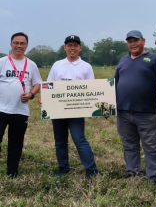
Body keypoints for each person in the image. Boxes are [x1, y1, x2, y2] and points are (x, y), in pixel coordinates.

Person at [115, 30, 156, 184]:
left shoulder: (154, 58)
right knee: (129, 145)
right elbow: (114, 84)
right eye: (130, 41)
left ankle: (153, 177)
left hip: (146, 112)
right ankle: (133, 173)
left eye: (136, 40)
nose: (133, 44)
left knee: (152, 146)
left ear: (143, 41)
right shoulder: (123, 61)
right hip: (123, 112)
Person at [47, 35, 98, 178]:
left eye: (75, 45)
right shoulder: (57, 65)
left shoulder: (86, 67)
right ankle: (63, 168)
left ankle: (91, 170)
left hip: (76, 111)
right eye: (69, 45)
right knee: (60, 141)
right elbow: (49, 85)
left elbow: (92, 89)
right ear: (65, 48)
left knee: (79, 139)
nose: (72, 48)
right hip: (58, 110)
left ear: (80, 48)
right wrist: (45, 100)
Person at [0, 32, 41, 177]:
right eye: (16, 43)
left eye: (22, 43)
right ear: (11, 44)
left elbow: (37, 84)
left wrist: (31, 94)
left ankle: (12, 172)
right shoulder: (3, 62)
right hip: (1, 109)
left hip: (20, 111)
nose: (19, 45)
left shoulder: (31, 64)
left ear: (26, 46)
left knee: (16, 144)